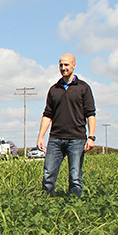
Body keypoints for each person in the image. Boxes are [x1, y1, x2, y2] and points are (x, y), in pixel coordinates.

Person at [37, 53, 96, 197]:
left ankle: (74, 205)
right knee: (48, 174)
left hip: (77, 139)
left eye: (66, 65)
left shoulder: (83, 88)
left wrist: (91, 137)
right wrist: (40, 137)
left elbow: (90, 114)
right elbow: (47, 114)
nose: (63, 68)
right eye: (61, 65)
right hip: (56, 139)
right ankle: (46, 202)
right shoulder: (54, 89)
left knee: (75, 176)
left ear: (74, 65)